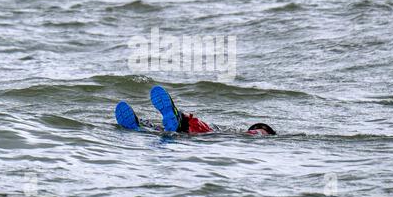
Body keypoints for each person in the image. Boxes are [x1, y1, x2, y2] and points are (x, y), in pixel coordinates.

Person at [115, 85, 276, 136]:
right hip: (202, 135)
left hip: (199, 130)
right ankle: (141, 126)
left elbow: (260, 134)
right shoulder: (237, 132)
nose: (257, 130)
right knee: (167, 131)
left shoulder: (247, 133)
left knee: (166, 130)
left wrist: (261, 132)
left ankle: (139, 127)